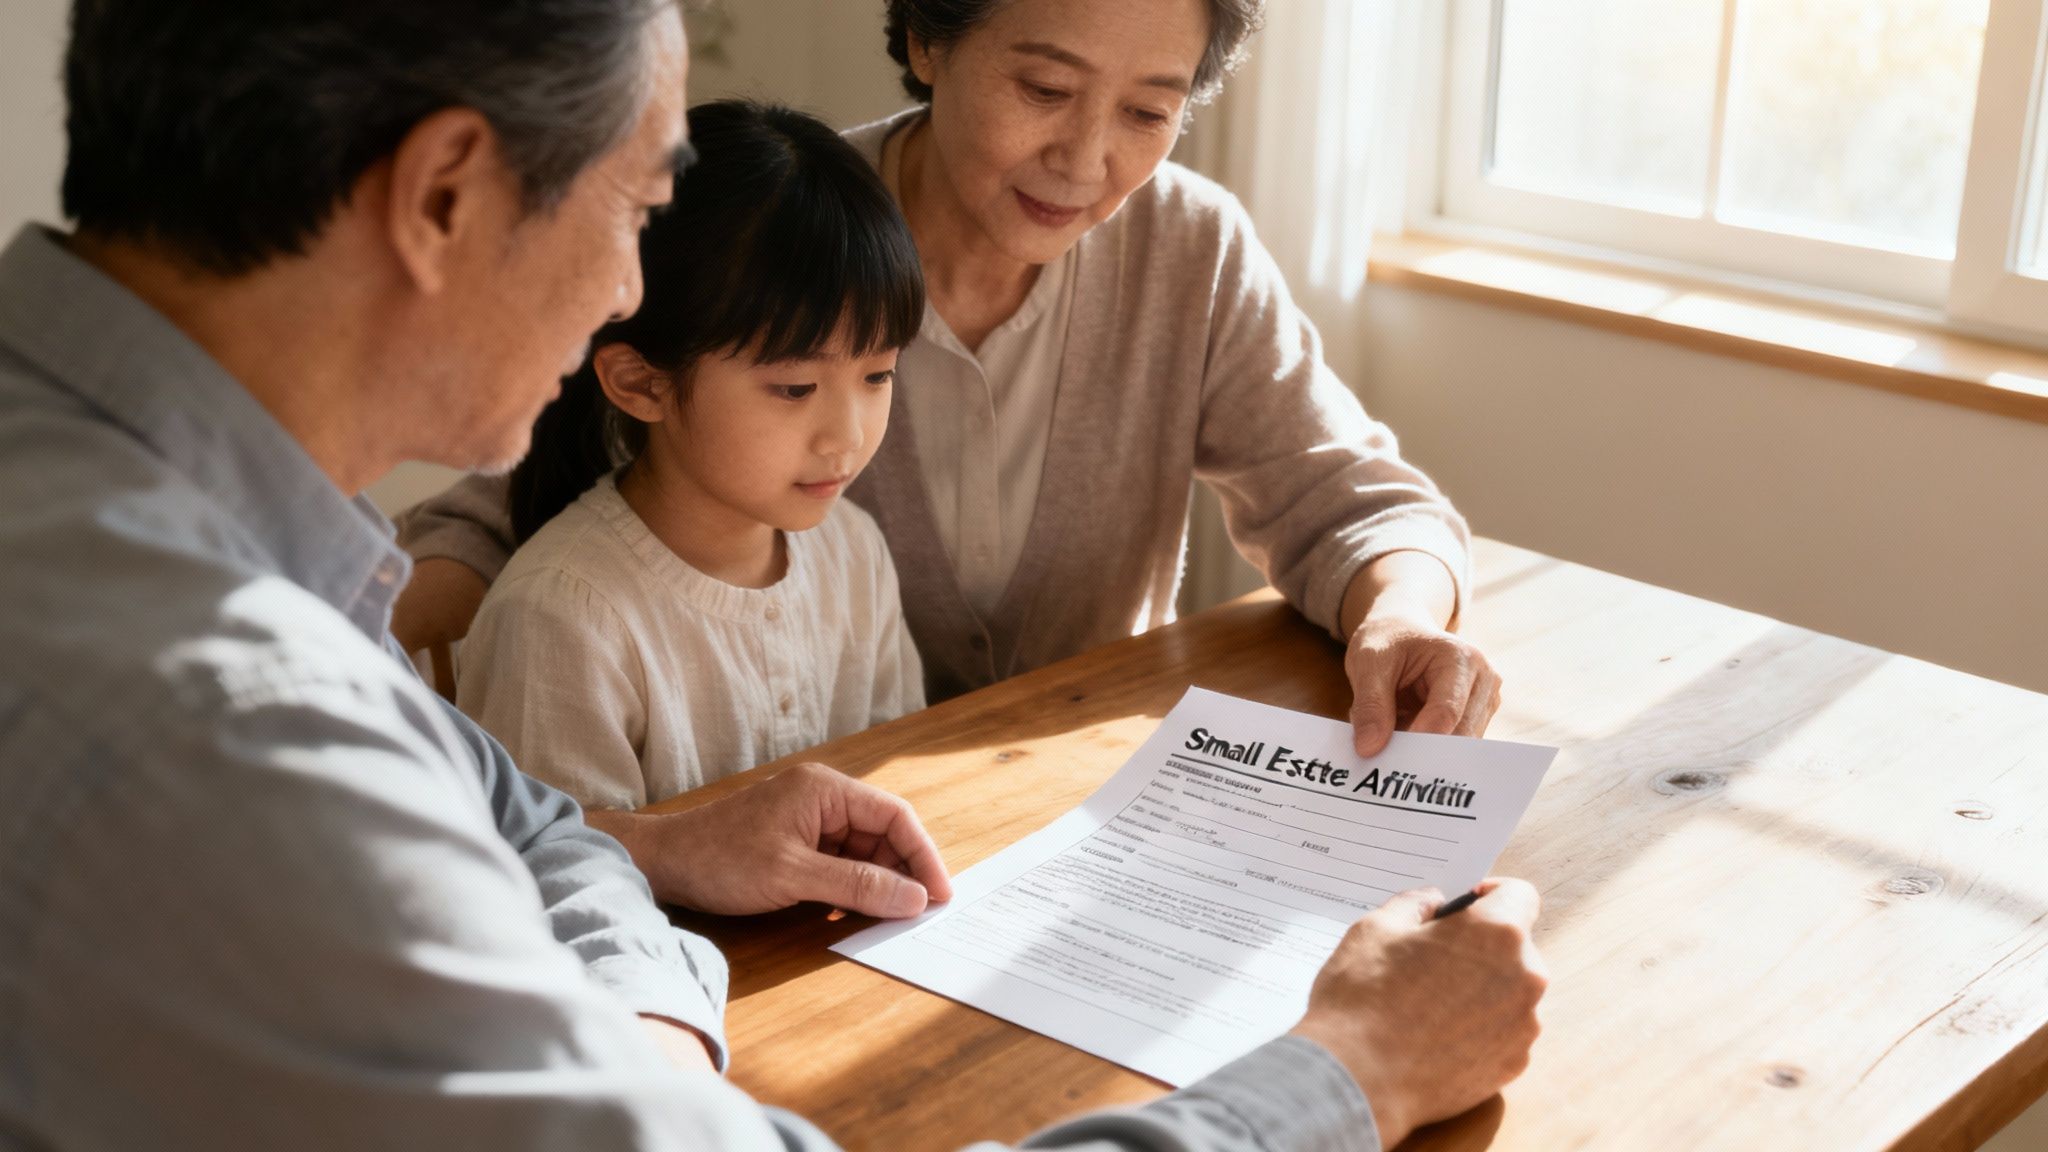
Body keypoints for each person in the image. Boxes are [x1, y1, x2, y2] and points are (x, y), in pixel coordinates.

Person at [0, 2, 1548, 1150]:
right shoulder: (227, 728)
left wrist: (654, 1018)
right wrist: (1347, 1076)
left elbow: (517, 813)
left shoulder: (149, 503)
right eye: (635, 208)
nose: (634, 289)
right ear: (448, 194)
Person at [394, 0, 1506, 767]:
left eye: (1145, 113)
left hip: (1072, 813)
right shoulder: (778, 234)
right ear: (927, 39)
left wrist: (1397, 622)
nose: (1083, 162)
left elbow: (1354, 503)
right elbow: (506, 498)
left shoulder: (1187, 248)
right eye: (1042, 86)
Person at [458, 100, 926, 809]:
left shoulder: (854, 553)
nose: (848, 436)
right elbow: (553, 881)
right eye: (796, 387)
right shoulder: (563, 616)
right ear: (640, 383)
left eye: (878, 376)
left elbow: (905, 778)